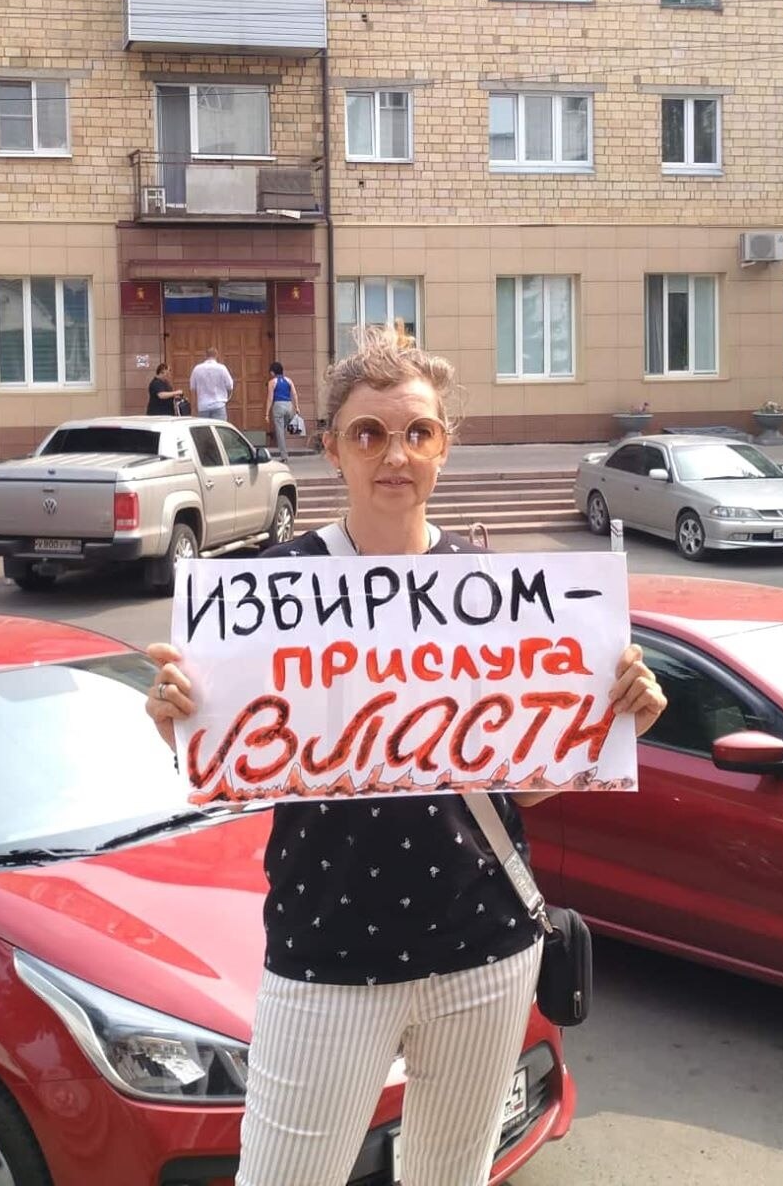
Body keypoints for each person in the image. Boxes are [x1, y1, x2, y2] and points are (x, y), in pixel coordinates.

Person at [144, 327, 667, 1186]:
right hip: (327, 953)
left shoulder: (490, 585)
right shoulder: (272, 586)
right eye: (370, 433)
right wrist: (183, 724)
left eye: (419, 432)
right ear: (332, 449)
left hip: (485, 948)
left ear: (444, 447)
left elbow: (517, 789)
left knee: (449, 1176)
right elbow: (237, 767)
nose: (397, 455)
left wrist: (611, 729)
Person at [189, 347, 234, 422]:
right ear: (216, 355)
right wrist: (226, 399)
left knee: (204, 428)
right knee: (219, 427)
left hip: (203, 405)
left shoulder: (197, 369)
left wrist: (194, 406)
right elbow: (230, 386)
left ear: (205, 355)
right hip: (218, 404)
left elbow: (192, 388)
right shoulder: (222, 368)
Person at [265, 361, 298, 458]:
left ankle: (284, 455)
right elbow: (294, 394)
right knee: (284, 428)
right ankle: (285, 445)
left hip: (278, 406)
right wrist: (297, 407)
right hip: (289, 406)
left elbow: (270, 398)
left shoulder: (272, 382)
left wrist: (266, 413)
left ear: (272, 372)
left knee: (280, 433)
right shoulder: (289, 380)